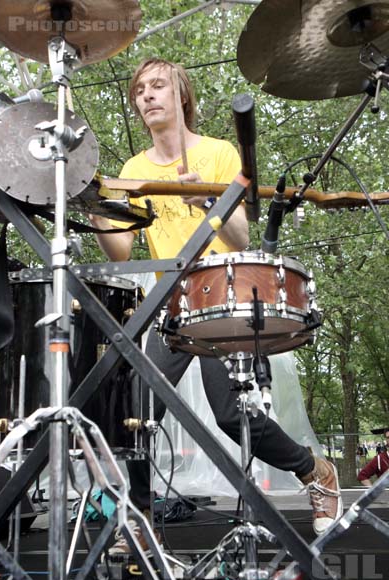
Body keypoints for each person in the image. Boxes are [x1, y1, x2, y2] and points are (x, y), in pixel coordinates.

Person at [89, 58, 343, 553]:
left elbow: (241, 235)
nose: (147, 95)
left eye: (158, 84)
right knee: (135, 413)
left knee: (233, 416)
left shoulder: (220, 153)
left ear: (181, 95)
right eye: (140, 89)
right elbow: (120, 252)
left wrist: (206, 202)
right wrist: (97, 209)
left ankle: (316, 470)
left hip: (222, 294)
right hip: (167, 303)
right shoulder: (134, 170)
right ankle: (137, 520)